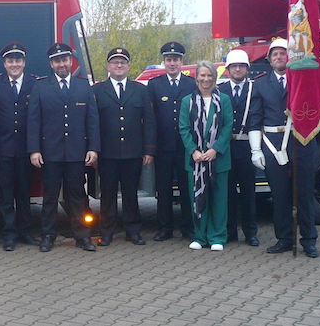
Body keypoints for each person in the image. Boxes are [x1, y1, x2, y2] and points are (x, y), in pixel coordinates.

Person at [249, 38, 320, 258]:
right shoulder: (260, 84)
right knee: (279, 195)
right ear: (269, 60)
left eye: (283, 53)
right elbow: (255, 118)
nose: (279, 57)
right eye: (275, 55)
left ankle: (309, 240)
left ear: (290, 57)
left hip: (301, 142)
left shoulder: (302, 80)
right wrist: (256, 149)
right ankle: (284, 238)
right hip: (274, 145)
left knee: (305, 194)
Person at [28, 42, 100, 252]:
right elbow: (34, 122)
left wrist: (93, 149)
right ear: (51, 64)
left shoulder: (83, 86)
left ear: (71, 61)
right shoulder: (40, 87)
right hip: (50, 153)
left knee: (76, 196)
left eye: (64, 60)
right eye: (57, 61)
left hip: (77, 153)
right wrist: (34, 150)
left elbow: (92, 121)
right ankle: (48, 236)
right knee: (50, 197)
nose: (61, 64)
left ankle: (82, 236)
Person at [93, 47, 156, 246]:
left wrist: (148, 150)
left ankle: (133, 231)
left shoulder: (140, 90)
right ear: (108, 66)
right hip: (107, 153)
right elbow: (92, 123)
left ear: (128, 66)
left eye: (122, 62)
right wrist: (94, 149)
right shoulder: (97, 90)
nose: (119, 65)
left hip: (133, 152)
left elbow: (149, 121)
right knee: (108, 195)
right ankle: (107, 231)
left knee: (131, 194)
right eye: (115, 62)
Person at [0, 42, 40, 251]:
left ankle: (25, 231)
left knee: (24, 192)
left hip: (26, 149)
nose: (14, 64)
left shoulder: (35, 83)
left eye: (18, 60)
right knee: (5, 193)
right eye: (10, 61)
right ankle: (9, 233)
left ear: (24, 62)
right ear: (5, 63)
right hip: (3, 149)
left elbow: (37, 118)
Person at [180, 60, 233, 251]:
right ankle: (200, 236)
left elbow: (228, 126)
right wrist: (193, 150)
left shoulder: (224, 99)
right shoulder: (187, 101)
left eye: (209, 75)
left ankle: (217, 236)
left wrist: (215, 149)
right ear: (196, 77)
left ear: (214, 77)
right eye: (202, 75)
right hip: (195, 161)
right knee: (197, 198)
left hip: (218, 159)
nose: (206, 78)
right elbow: (184, 128)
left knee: (219, 200)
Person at [147, 41, 197, 241]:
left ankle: (188, 227)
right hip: (164, 146)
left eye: (176, 59)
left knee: (187, 188)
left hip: (186, 147)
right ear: (164, 62)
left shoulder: (191, 84)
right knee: (164, 189)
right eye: (169, 60)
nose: (172, 63)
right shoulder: (155, 84)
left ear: (181, 61)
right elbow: (150, 118)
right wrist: (150, 147)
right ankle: (164, 228)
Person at [217, 49, 259, 246]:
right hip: (226, 147)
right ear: (228, 70)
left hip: (246, 144)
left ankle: (250, 232)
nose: (237, 69)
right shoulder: (220, 90)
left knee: (248, 191)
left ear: (247, 69)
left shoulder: (254, 89)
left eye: (241, 66)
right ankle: (230, 231)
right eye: (234, 66)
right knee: (228, 191)